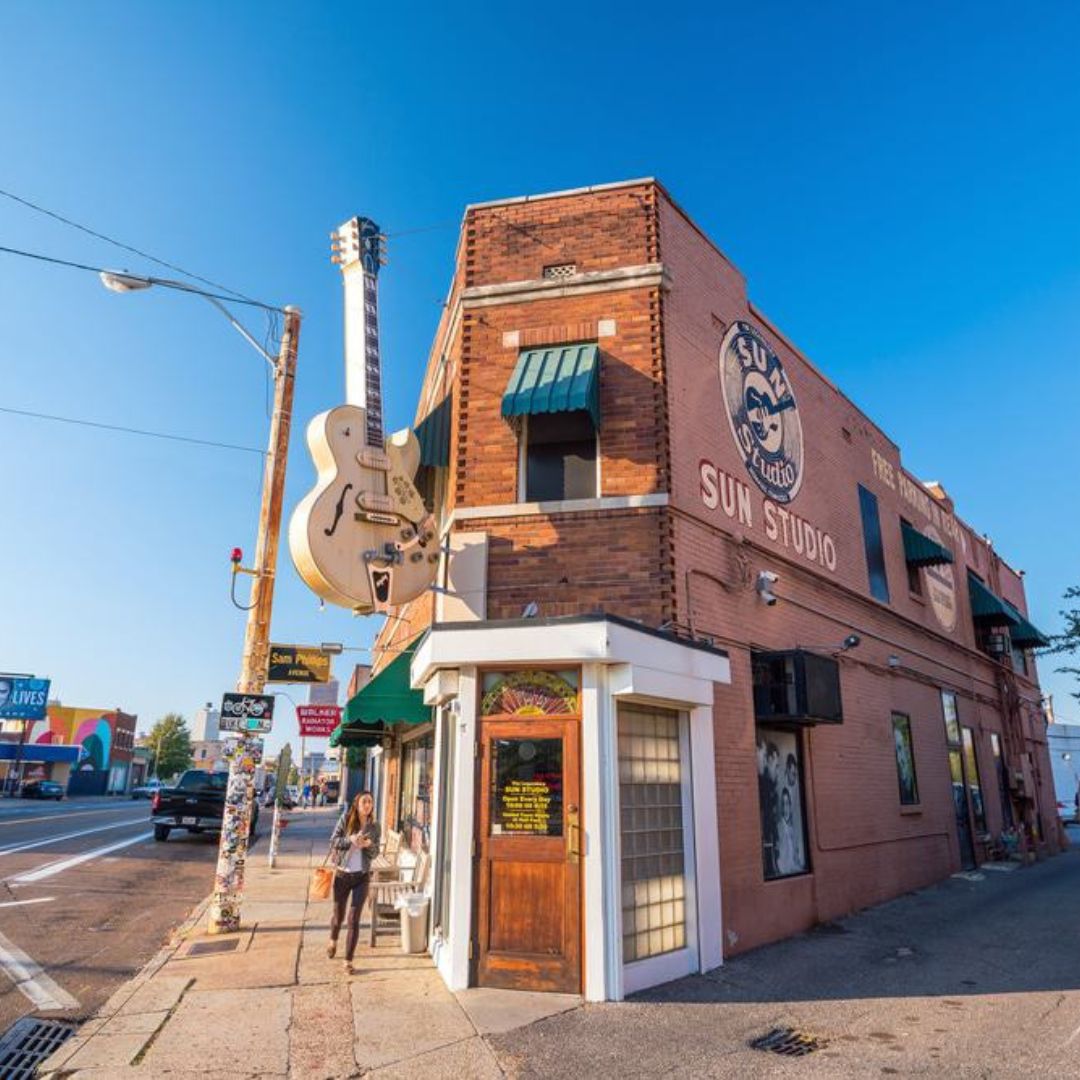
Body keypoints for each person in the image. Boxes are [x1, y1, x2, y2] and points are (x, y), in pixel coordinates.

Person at [327, 790, 380, 974]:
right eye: (365, 801)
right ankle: (333, 940)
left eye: (370, 802)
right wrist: (350, 840)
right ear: (357, 804)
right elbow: (333, 841)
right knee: (339, 916)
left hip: (361, 876)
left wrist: (369, 845)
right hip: (342, 875)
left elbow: (375, 853)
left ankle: (348, 961)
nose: (368, 805)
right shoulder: (346, 819)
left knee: (353, 919)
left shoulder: (374, 827)